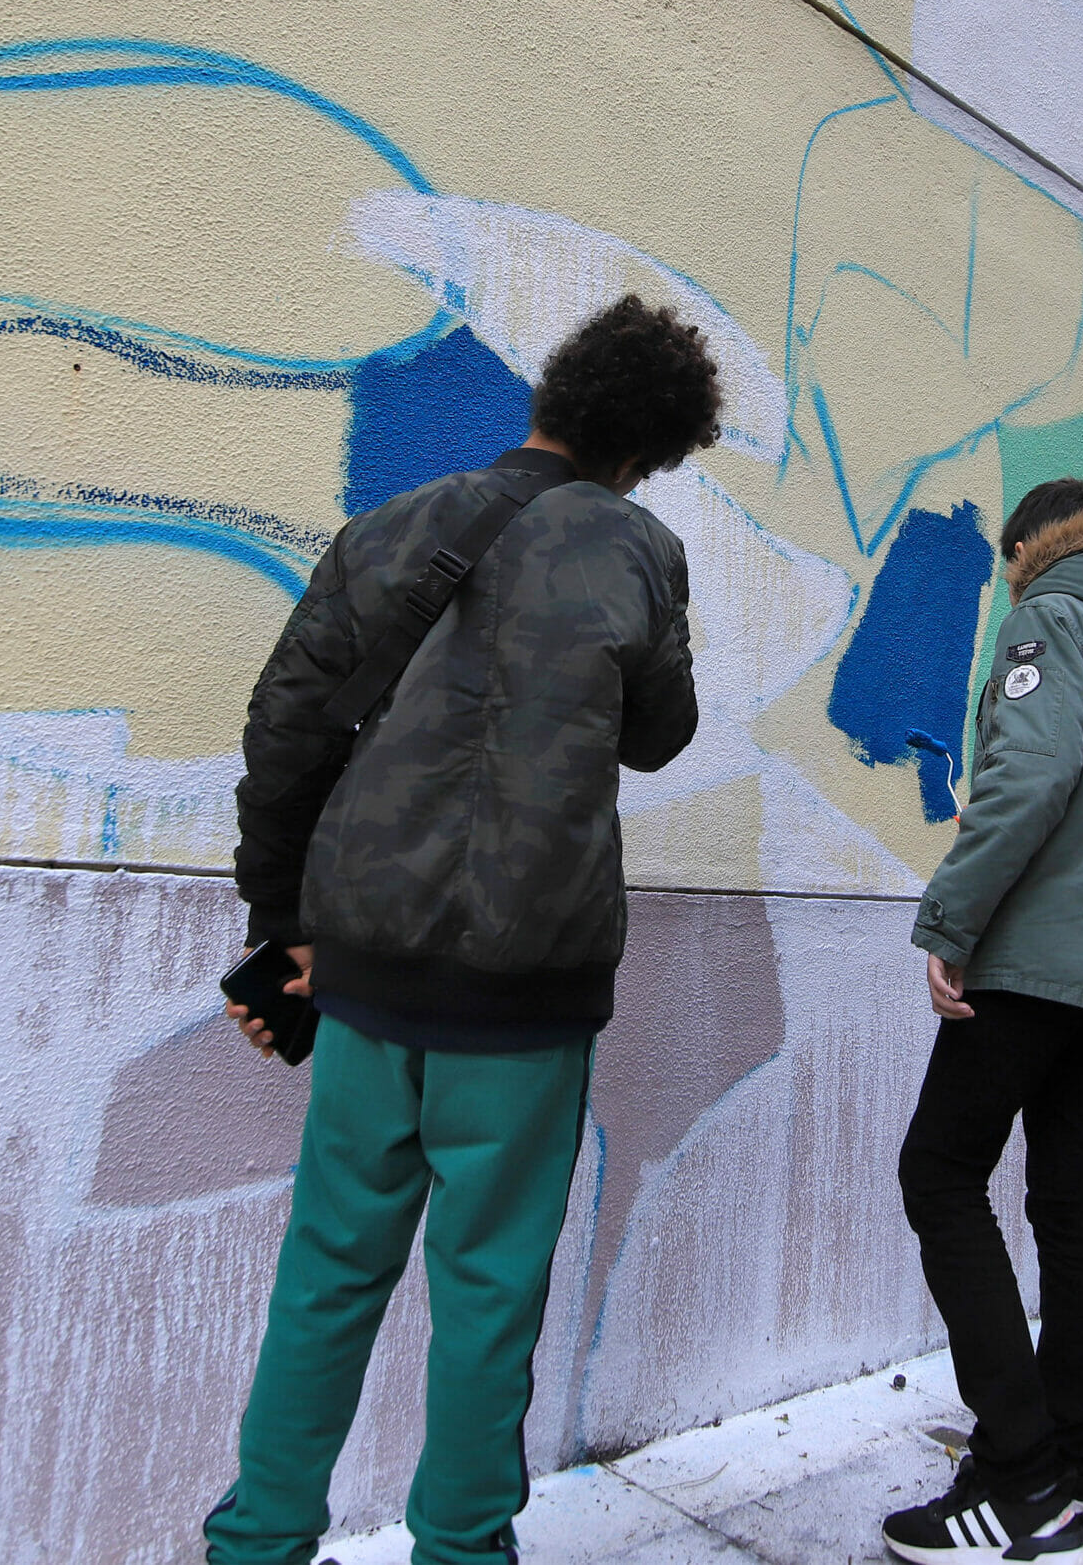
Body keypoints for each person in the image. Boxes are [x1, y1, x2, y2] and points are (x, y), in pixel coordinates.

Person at [208, 294, 720, 1565]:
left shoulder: (387, 530)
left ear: (548, 397)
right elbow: (661, 732)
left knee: (327, 1273)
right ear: (645, 451)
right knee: (488, 1297)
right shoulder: (640, 550)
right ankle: (459, 1550)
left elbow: (282, 730)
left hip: (364, 970)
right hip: (527, 985)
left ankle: (257, 1541)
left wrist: (286, 928)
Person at [886, 477, 1083, 1565]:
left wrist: (953, 917)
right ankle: (1063, 1460)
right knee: (1068, 1199)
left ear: (1026, 545)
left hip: (1032, 957)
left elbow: (1031, 776)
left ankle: (1016, 1477)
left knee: (939, 1172)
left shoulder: (1047, 615)